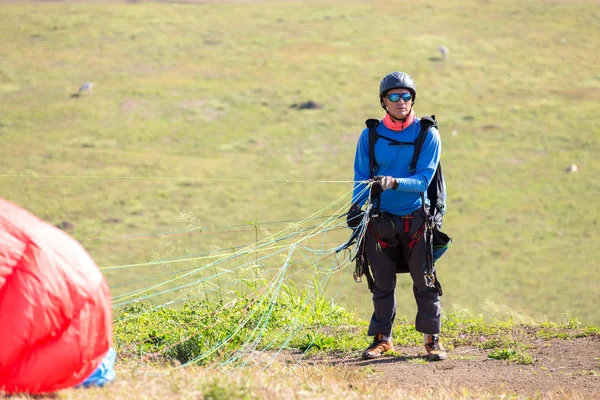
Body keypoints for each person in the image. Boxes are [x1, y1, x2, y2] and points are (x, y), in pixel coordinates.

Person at [348, 71, 446, 361]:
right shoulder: (371, 135)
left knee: (424, 281)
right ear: (383, 101)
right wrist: (355, 209)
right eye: (394, 96)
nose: (401, 101)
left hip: (416, 220)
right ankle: (382, 340)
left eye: (406, 95)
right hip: (380, 221)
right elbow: (361, 177)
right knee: (381, 283)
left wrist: (393, 182)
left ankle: (433, 341)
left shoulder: (428, 134)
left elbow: (424, 179)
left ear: (412, 99)